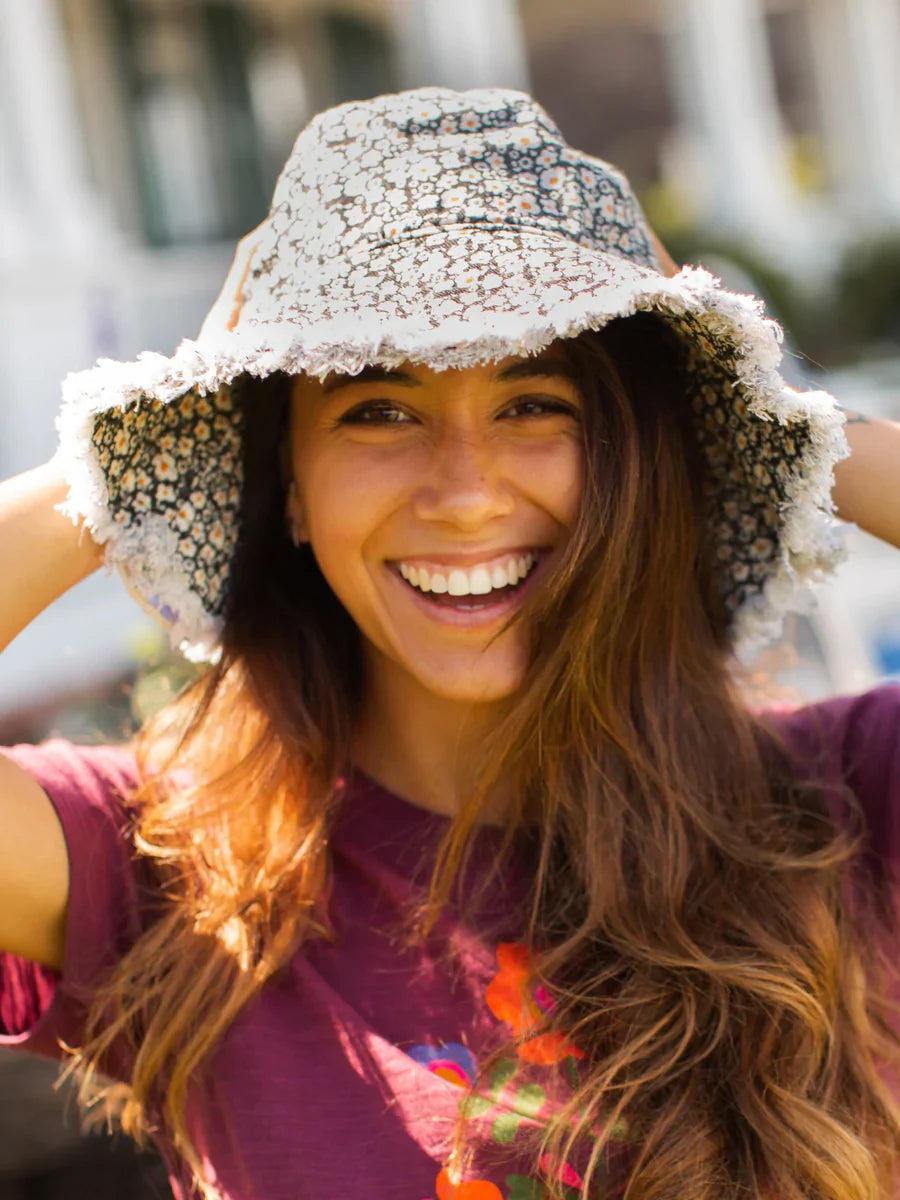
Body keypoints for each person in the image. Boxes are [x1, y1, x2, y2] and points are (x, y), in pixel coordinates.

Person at [1, 86, 900, 1200]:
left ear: (630, 458)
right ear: (288, 484)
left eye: (535, 404)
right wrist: (124, 462)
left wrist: (768, 411)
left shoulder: (840, 810)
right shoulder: (159, 868)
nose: (467, 496)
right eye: (379, 409)